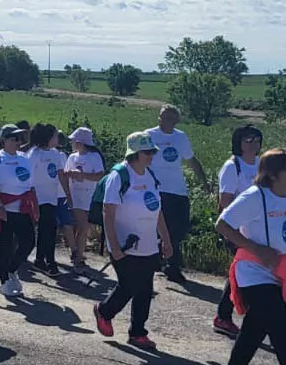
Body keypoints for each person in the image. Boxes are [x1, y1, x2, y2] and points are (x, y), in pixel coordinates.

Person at [217, 149, 286, 365]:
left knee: (254, 329)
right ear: (272, 174)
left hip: (279, 274)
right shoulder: (254, 196)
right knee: (285, 333)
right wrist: (257, 250)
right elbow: (223, 225)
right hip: (253, 274)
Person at [94, 131, 173, 351]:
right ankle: (104, 311)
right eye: (147, 152)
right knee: (129, 285)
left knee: (145, 290)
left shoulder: (150, 176)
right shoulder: (119, 176)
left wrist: (166, 239)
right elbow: (107, 213)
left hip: (148, 245)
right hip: (124, 243)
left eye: (152, 151)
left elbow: (157, 211)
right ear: (135, 153)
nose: (151, 155)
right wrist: (115, 245)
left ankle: (138, 332)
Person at [147, 105, 211, 283]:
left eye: (171, 118)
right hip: (158, 189)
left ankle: (164, 258)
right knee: (163, 228)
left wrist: (204, 181)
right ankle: (171, 266)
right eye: (164, 117)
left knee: (180, 228)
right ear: (159, 117)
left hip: (178, 189)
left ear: (176, 121)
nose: (166, 121)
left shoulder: (180, 138)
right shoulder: (149, 135)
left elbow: (191, 160)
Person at [214, 124, 264, 339]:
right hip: (237, 228)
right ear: (238, 143)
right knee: (243, 270)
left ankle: (228, 315)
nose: (252, 144)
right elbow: (225, 201)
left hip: (258, 228)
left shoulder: (262, 164)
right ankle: (225, 316)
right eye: (247, 140)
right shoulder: (233, 166)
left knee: (243, 271)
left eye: (255, 139)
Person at [0, 123, 35, 298]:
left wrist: (33, 206)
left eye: (19, 138)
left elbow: (30, 185)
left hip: (22, 208)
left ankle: (12, 270)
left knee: (28, 242)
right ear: (4, 140)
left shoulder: (24, 158)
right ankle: (4, 280)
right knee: (5, 246)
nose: (18, 141)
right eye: (14, 138)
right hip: (5, 207)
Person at [27, 123, 67, 277]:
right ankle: (47, 261)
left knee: (50, 230)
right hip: (38, 198)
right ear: (49, 138)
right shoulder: (34, 154)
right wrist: (33, 199)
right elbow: (28, 178)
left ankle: (43, 259)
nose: (58, 138)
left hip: (52, 198)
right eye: (56, 135)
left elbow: (60, 175)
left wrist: (68, 195)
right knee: (47, 229)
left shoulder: (56, 154)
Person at [63, 127, 106, 268]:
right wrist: (71, 174)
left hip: (88, 195)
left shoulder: (94, 157)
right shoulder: (72, 157)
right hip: (74, 194)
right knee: (82, 226)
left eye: (74, 141)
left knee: (81, 226)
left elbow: (100, 175)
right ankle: (78, 255)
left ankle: (76, 252)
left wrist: (83, 175)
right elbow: (65, 174)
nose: (72, 143)